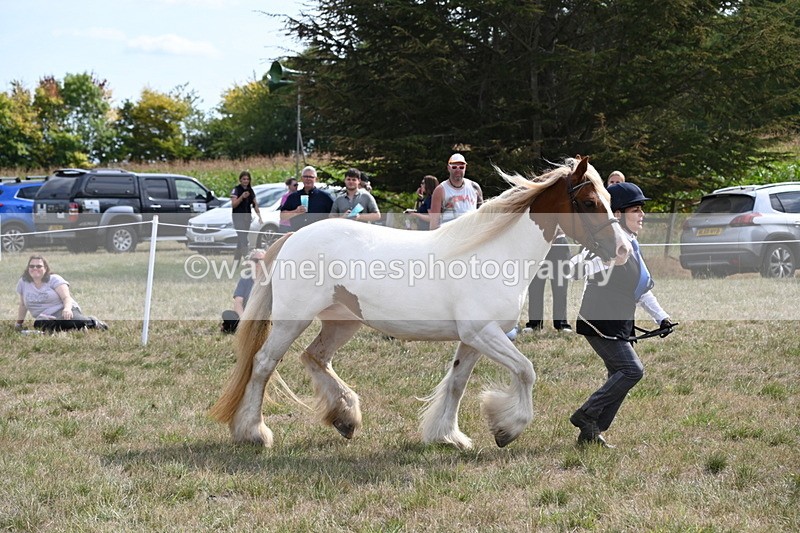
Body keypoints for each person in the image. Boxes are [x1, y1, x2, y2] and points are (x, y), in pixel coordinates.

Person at [570, 183, 675, 448]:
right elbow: (571, 270)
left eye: (642, 210)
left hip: (620, 323)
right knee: (632, 371)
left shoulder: (632, 244)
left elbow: (641, 289)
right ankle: (585, 414)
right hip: (598, 321)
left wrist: (661, 318)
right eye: (636, 210)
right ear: (617, 214)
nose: (642, 215)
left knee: (617, 378)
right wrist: (605, 262)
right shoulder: (603, 244)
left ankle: (592, 432)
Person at [15, 255, 107, 332]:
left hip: (63, 310)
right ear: (28, 268)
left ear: (45, 268)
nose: (35, 268)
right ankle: (70, 328)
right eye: (32, 266)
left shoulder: (54, 279)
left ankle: (92, 322)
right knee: (38, 325)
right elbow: (23, 305)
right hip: (45, 317)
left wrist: (67, 309)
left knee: (72, 322)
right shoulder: (23, 282)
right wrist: (19, 324)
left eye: (39, 266)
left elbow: (66, 298)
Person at [523, 229, 573, 333]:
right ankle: (534, 324)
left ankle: (562, 324)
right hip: (538, 244)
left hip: (559, 245)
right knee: (535, 287)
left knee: (560, 288)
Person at [429, 153, 483, 230]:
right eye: (454, 167)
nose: (458, 170)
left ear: (465, 168)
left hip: (470, 234)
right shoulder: (440, 190)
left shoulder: (475, 187)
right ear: (448, 168)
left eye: (461, 167)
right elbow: (434, 222)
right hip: (449, 234)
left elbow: (482, 217)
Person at [221, 249, 267, 333]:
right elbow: (238, 302)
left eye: (262, 260)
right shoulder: (245, 279)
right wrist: (244, 320)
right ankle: (241, 328)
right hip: (246, 315)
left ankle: (236, 328)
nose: (259, 263)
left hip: (263, 317)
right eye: (255, 260)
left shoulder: (270, 281)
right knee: (227, 314)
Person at [280, 166, 334, 231]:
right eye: (305, 176)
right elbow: (282, 216)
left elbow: (334, 217)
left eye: (311, 177)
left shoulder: (325, 197)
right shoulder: (293, 197)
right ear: (301, 178)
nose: (308, 179)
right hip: (297, 235)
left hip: (319, 235)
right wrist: (296, 212)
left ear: (316, 179)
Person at [230, 170, 262, 262]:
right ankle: (247, 260)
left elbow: (255, 204)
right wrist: (242, 197)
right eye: (244, 179)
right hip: (238, 217)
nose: (246, 181)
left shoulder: (250, 191)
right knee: (243, 239)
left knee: (240, 241)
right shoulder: (236, 190)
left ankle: (236, 262)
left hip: (247, 218)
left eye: (247, 179)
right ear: (240, 180)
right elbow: (234, 204)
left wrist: (259, 216)